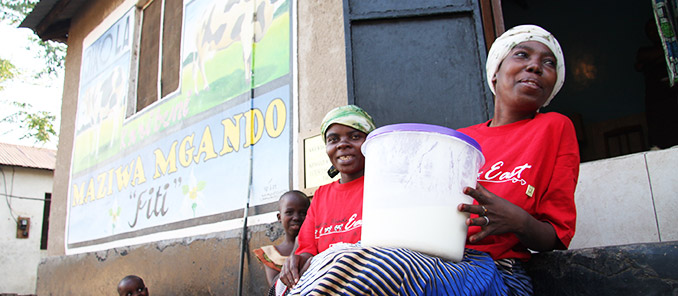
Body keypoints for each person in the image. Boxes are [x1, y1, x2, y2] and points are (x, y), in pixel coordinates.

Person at [281, 24, 578, 296]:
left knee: (371, 267)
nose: (535, 66)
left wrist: (518, 221)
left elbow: (554, 237)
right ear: (495, 72)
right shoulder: (460, 140)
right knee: (337, 261)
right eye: (522, 54)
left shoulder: (554, 127)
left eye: (548, 63)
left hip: (498, 271)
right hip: (433, 259)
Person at [254, 190, 310, 288]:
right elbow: (275, 287)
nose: (296, 217)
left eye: (303, 213)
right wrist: (296, 249)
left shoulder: (314, 247)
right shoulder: (271, 254)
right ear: (279, 217)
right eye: (289, 212)